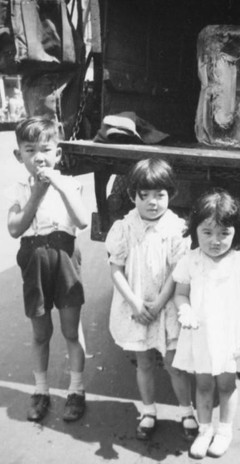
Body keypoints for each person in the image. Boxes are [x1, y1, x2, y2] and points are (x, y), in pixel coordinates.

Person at [105, 158, 198, 441]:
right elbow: (116, 269)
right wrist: (135, 303)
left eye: (160, 195)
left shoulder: (177, 229)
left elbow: (177, 273)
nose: (152, 202)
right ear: (133, 195)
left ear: (171, 194)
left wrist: (158, 304)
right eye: (143, 196)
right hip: (136, 307)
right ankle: (148, 410)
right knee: (143, 362)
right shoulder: (124, 228)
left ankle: (187, 411)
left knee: (174, 365)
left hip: (165, 306)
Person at [7, 117, 88, 422]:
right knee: (41, 332)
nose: (38, 156)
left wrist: (56, 185)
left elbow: (81, 221)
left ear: (58, 153)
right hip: (33, 258)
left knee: (70, 329)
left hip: (65, 256)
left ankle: (76, 390)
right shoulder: (16, 189)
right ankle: (41, 390)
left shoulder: (69, 183)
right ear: (19, 156)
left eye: (45, 149)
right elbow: (15, 229)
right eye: (30, 150)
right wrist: (36, 194)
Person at [172, 188, 240, 459]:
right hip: (200, 335)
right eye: (207, 233)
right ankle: (204, 430)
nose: (215, 241)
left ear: (237, 233)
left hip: (229, 336)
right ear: (195, 230)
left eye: (224, 233)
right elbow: (180, 293)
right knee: (202, 385)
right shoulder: (190, 261)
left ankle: (224, 431)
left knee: (226, 384)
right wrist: (184, 309)